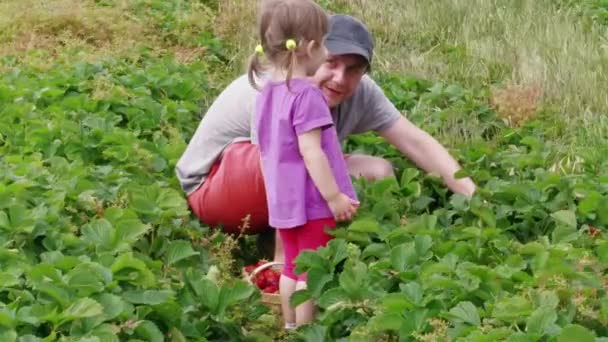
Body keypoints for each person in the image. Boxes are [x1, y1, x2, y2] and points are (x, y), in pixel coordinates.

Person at [175, 13, 476, 260]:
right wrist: (286, 263)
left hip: (269, 180)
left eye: (353, 70)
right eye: (331, 62)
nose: (339, 79)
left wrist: (474, 198)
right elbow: (278, 170)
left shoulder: (363, 92)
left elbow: (416, 142)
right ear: (311, 53)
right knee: (302, 165)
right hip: (210, 187)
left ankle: (332, 246)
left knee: (378, 171)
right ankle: (284, 256)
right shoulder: (280, 88)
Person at [248, 0, 359, 328]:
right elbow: (312, 152)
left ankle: (288, 325)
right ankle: (307, 331)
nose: (326, 51)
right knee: (310, 271)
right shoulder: (307, 96)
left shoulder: (269, 91)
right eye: (325, 43)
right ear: (310, 47)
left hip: (282, 200)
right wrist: (334, 197)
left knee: (291, 268)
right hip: (312, 203)